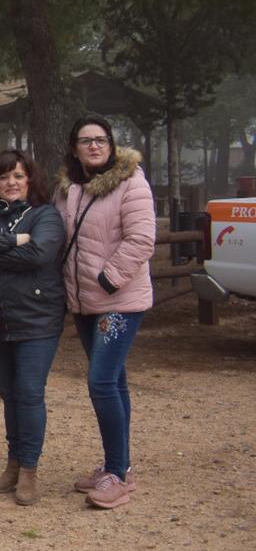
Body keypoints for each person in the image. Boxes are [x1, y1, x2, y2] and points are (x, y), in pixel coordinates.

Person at [56, 116, 156, 510]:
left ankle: (117, 471)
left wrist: (109, 278)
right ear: (74, 147)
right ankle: (121, 465)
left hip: (118, 301)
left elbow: (142, 237)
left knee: (100, 381)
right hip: (82, 302)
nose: (94, 146)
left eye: (101, 140)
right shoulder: (67, 189)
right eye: (86, 141)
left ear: (112, 145)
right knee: (114, 381)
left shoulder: (132, 182)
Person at [0, 150, 66, 506]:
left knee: (30, 392)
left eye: (18, 176)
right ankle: (13, 465)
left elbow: (39, 256)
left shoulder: (45, 214)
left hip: (37, 319)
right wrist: (13, 241)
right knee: (9, 394)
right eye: (4, 177)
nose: (11, 183)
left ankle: (30, 470)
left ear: (30, 180)